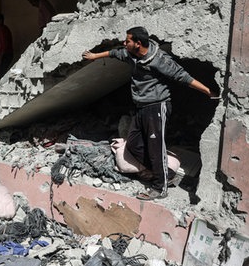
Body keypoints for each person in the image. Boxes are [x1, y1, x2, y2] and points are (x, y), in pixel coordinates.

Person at [82, 26, 217, 201]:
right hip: (141, 107)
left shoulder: (159, 60)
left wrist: (207, 91)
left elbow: (183, 77)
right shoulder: (131, 54)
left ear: (138, 43)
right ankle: (164, 171)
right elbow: (115, 53)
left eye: (128, 40)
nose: (125, 43)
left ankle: (160, 187)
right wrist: (94, 56)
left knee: (155, 147)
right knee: (134, 144)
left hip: (157, 107)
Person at [0, 13, 14, 81]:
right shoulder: (3, 29)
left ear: (0, 21)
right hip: (6, 54)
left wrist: (0, 57)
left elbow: (4, 44)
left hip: (5, 54)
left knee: (1, 74)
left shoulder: (2, 29)